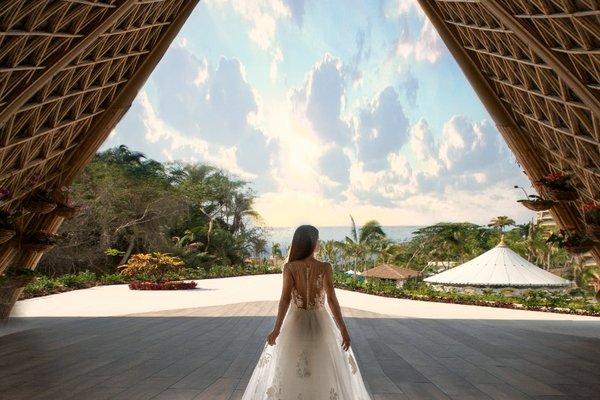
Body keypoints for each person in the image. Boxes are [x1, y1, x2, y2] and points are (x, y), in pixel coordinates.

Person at [241, 225, 372, 399]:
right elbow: (332, 300)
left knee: (294, 365)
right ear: (310, 242)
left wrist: (277, 329)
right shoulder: (325, 267)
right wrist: (343, 330)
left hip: (295, 324)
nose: (319, 242)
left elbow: (285, 300)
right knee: (320, 364)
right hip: (321, 323)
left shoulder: (290, 267)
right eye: (318, 239)